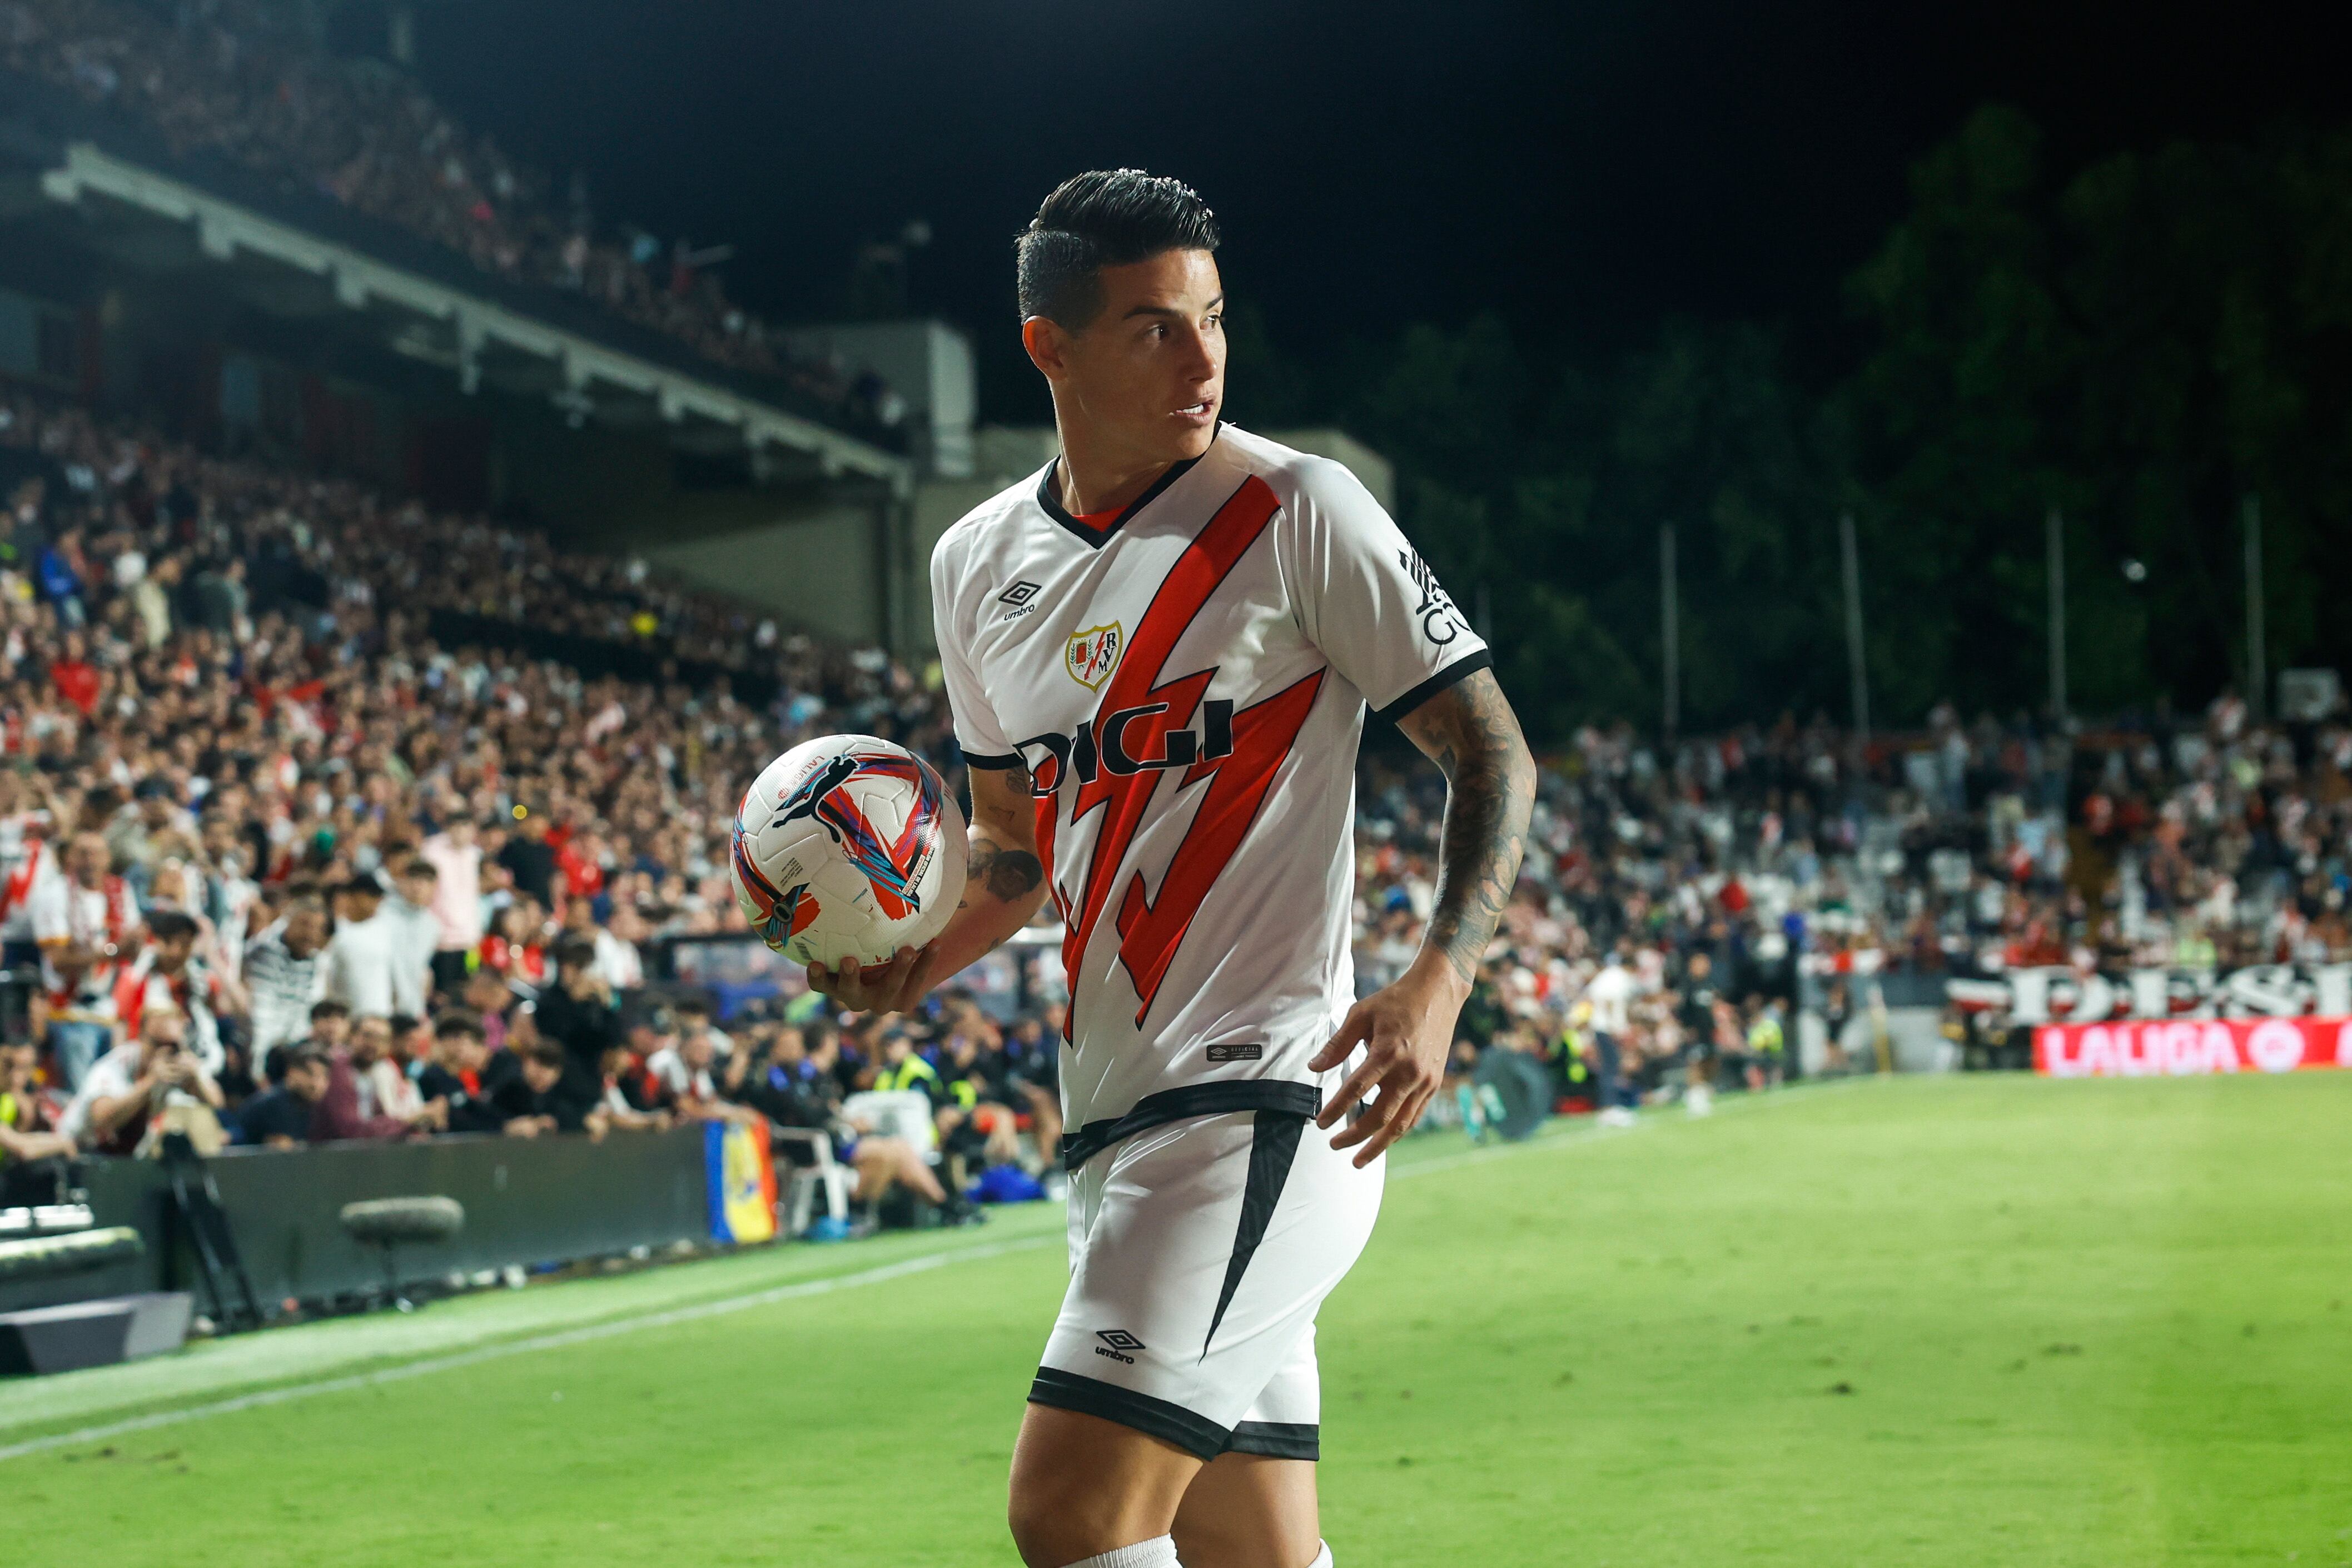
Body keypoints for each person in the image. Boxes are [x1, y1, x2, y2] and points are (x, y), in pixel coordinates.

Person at [808, 171, 1534, 1568]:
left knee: (1071, 1514)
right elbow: (1014, 859)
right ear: (1050, 349)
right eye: (1152, 327)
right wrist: (914, 960)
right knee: (1252, 1554)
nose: (1203, 359)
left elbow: (1492, 750)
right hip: (1115, 1130)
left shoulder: (1297, 511)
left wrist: (1440, 980)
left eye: (1211, 318)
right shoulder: (974, 566)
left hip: (1264, 1106)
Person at [59, 1007, 225, 1156]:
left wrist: (196, 1076)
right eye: (157, 1043)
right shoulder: (117, 1064)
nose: (164, 1052)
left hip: (124, 1157)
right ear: (141, 1036)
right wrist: (150, 1082)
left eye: (172, 1045)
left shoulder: (174, 1064)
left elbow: (216, 1103)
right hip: (80, 1150)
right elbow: (102, 1120)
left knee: (200, 1118)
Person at [1, 1038, 75, 1204]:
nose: (13, 1075)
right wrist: (62, 1144)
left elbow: (18, 1139)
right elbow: (23, 1149)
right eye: (8, 1067)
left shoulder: (8, 1100)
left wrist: (61, 1141)